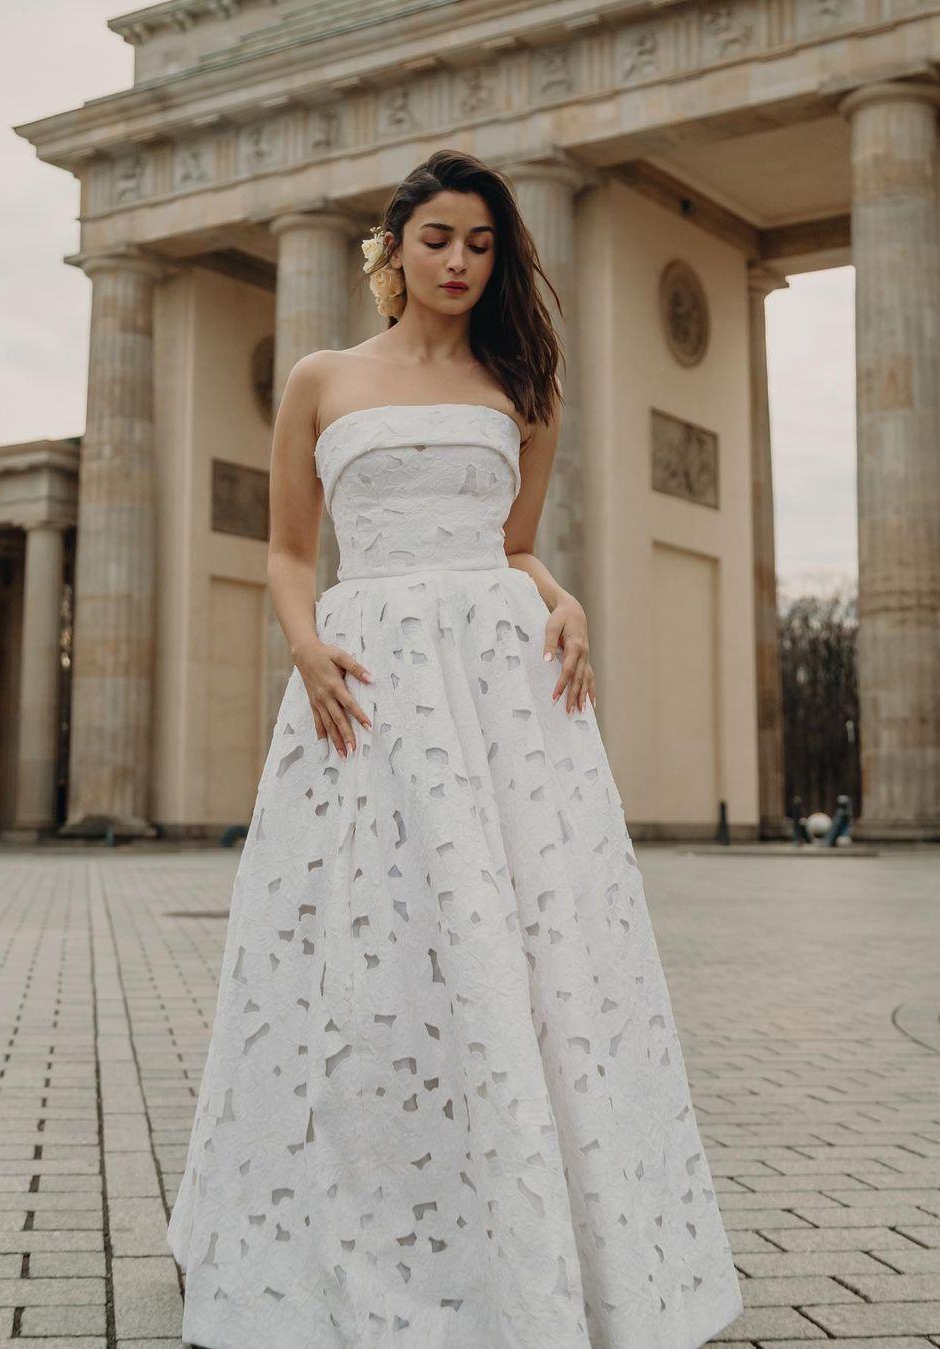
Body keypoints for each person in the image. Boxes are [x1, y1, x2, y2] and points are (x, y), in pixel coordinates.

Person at [165, 148, 744, 1348]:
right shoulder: (322, 378)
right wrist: (305, 644)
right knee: (373, 956)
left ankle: (536, 1249)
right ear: (393, 246)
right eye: (437, 238)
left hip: (502, 691)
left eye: (481, 244)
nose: (460, 262)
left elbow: (513, 543)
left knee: (521, 947)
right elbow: (286, 547)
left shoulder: (525, 388)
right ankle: (344, 1228)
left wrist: (562, 597)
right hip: (366, 683)